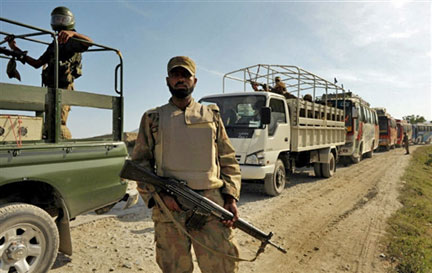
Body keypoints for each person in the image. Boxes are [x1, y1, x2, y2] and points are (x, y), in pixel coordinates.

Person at [131, 56, 242, 273]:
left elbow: (228, 159)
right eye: (175, 75)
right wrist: (160, 197)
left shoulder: (212, 116)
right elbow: (139, 166)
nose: (180, 79)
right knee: (174, 268)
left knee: (222, 266)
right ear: (167, 80)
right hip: (169, 208)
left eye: (185, 75)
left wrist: (230, 197)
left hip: (210, 205)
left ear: (195, 81)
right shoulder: (153, 118)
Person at [5, 6, 92, 139]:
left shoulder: (73, 41)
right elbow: (37, 64)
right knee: (48, 124)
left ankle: (63, 150)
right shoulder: (55, 43)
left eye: (62, 19)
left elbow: (89, 42)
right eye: (56, 19)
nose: (59, 22)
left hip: (64, 89)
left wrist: (73, 34)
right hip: (50, 88)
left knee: (59, 125)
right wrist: (15, 48)